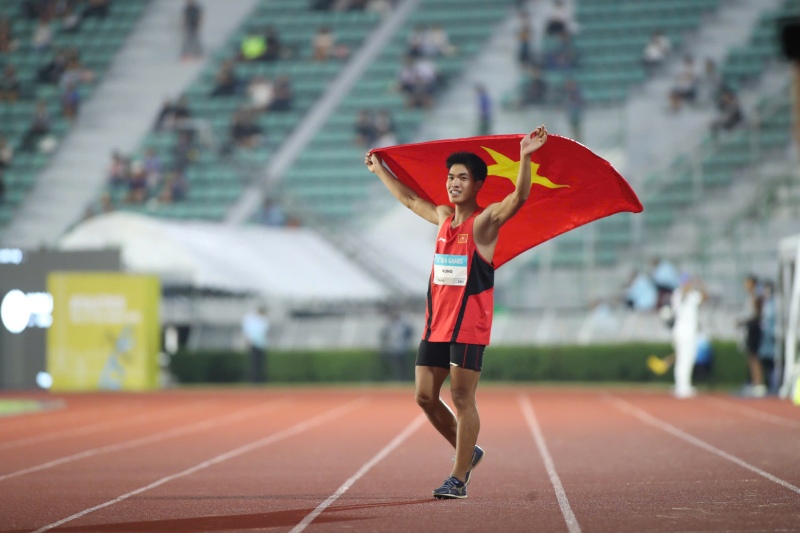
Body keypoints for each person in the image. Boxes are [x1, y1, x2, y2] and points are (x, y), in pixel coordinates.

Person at [365, 124, 550, 499]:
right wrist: (379, 170)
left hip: (468, 326)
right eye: (451, 177)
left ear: (478, 184)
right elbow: (408, 199)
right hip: (436, 324)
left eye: (462, 178)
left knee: (463, 398)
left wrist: (525, 157)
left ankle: (459, 477)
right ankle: (469, 452)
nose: (454, 183)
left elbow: (518, 198)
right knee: (424, 396)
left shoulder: (484, 222)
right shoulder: (442, 217)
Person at [670, 275, 706, 398]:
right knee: (683, 359)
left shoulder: (693, 294)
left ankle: (684, 385)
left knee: (689, 358)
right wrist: (687, 289)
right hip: (682, 332)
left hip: (691, 332)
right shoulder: (677, 294)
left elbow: (705, 298)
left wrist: (700, 285)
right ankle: (681, 386)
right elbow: (680, 300)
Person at [737, 274, 765, 397]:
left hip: (754, 328)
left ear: (752, 283)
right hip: (750, 327)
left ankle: (758, 383)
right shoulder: (751, 296)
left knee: (754, 356)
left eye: (747, 283)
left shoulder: (756, 296)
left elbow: (756, 315)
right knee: (750, 356)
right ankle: (753, 382)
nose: (745, 285)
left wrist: (743, 321)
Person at [379, 309, 413, 381]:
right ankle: (394, 377)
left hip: (401, 348)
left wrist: (406, 341)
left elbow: (409, 333)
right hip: (392, 348)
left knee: (402, 365)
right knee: (393, 364)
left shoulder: (402, 325)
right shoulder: (390, 325)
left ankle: (403, 378)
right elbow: (384, 335)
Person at [241, 305, 269, 383]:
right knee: (254, 363)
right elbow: (248, 331)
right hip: (254, 344)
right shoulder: (253, 320)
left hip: (261, 344)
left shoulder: (263, 320)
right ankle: (253, 380)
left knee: (260, 364)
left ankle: (259, 379)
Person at [759, 281, 777, 393]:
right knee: (765, 360)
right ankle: (767, 383)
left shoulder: (774, 303)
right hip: (766, 336)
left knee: (773, 360)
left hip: (773, 335)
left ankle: (774, 384)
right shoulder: (765, 303)